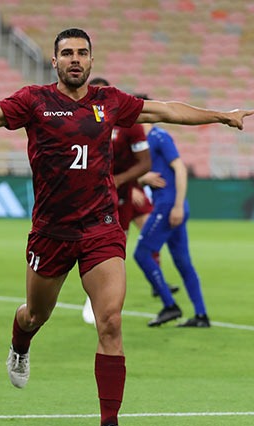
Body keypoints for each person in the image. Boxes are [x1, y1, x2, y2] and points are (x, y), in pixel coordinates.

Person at [0, 28, 254, 426]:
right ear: (54, 61)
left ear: (91, 60)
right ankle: (20, 342)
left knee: (110, 321)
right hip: (51, 231)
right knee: (36, 313)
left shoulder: (110, 102)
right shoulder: (33, 100)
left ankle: (109, 425)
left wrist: (220, 114)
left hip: (101, 227)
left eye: (82, 53)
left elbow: (163, 110)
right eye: (67, 53)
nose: (75, 59)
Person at [80, 80, 177, 325]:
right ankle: (95, 294)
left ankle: (158, 283)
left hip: (126, 188)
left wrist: (130, 181)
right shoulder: (84, 123)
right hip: (103, 191)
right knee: (106, 243)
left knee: (145, 238)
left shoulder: (129, 125)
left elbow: (141, 161)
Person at [134, 113, 211, 328]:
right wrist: (143, 178)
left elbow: (180, 168)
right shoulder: (140, 142)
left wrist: (177, 205)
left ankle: (170, 305)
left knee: (141, 253)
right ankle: (201, 315)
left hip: (168, 206)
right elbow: (141, 175)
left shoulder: (159, 137)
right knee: (183, 262)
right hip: (168, 205)